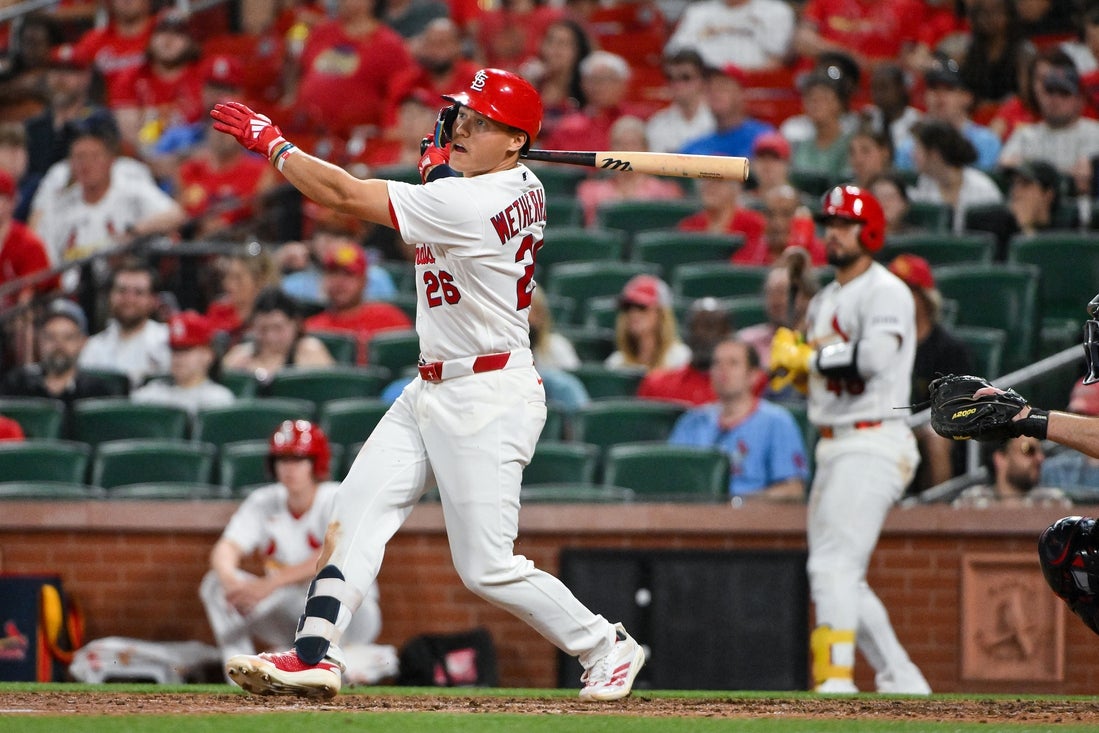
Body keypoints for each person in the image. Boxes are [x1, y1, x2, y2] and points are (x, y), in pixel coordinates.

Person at [209, 67, 646, 700]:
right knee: (354, 512)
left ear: (516, 142)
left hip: (487, 394)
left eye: (482, 123)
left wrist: (275, 144)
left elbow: (342, 195)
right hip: (433, 385)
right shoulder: (508, 185)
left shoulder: (473, 201)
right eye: (462, 115)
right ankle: (315, 654)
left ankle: (606, 645)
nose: (461, 127)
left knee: (486, 567)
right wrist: (442, 170)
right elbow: (449, 192)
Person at [769, 185, 930, 695]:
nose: (833, 233)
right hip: (835, 441)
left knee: (832, 566)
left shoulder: (886, 289)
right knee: (842, 576)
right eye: (830, 224)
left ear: (870, 231)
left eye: (844, 224)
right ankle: (902, 679)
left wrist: (810, 359)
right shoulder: (825, 300)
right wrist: (800, 372)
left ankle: (835, 678)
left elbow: (876, 357)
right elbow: (825, 370)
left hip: (875, 437)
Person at [200, 420, 384, 672]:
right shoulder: (263, 500)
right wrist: (230, 580)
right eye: (282, 459)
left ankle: (342, 662)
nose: (289, 468)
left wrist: (271, 583)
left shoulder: (336, 496)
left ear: (316, 463)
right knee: (214, 585)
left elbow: (334, 553)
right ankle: (239, 671)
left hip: (349, 611)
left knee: (331, 596)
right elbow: (226, 547)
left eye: (298, 459)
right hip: (289, 607)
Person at [669, 336, 808, 500]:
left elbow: (793, 489)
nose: (722, 370)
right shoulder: (691, 422)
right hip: (696, 511)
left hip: (754, 512)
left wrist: (738, 504)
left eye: (733, 363)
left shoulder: (777, 421)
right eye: (716, 363)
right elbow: (671, 479)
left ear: (753, 375)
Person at [886, 254, 972, 494]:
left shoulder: (949, 349)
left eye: (904, 290)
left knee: (936, 436)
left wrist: (914, 426)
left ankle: (939, 510)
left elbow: (954, 410)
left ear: (923, 297)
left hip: (935, 429)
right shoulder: (885, 346)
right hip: (891, 423)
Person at [1, 299, 127, 438]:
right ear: (39, 341)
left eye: (68, 338)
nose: (59, 345)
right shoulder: (16, 385)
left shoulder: (100, 392)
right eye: (50, 337)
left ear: (82, 342)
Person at [302, 241, 413, 365]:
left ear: (364, 280)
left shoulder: (391, 317)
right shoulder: (312, 327)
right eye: (332, 273)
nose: (339, 282)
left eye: (348, 274)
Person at [575, 116, 684, 227]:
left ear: (646, 149)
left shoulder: (666, 192)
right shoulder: (591, 192)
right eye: (619, 144)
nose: (626, 149)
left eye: (633, 143)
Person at [77, 259, 170, 388]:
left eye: (138, 292)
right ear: (110, 296)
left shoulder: (167, 341)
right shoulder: (94, 347)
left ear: (153, 300)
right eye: (122, 291)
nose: (129, 299)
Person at [221, 287, 335, 386]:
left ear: (295, 324)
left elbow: (329, 388)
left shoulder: (310, 350)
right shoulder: (240, 356)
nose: (270, 337)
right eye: (263, 329)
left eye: (278, 328)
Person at [907, 119, 1004, 234]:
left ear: (935, 154)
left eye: (918, 148)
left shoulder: (983, 188)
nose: (912, 154)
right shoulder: (921, 186)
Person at [131, 310, 235, 416]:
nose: (178, 357)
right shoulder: (150, 394)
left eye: (186, 350)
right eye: (174, 350)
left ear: (207, 355)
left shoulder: (218, 399)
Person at [636, 297, 731, 407]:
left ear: (727, 335)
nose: (702, 334)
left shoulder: (743, 389)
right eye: (695, 327)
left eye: (710, 326)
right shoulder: (656, 385)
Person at [663, 0, 795, 71]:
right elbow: (673, 54)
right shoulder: (698, 11)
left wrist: (730, 78)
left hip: (756, 87)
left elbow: (778, 61)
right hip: (703, 86)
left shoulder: (776, 10)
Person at [679, 64, 772, 159]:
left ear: (741, 93)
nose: (715, 93)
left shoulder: (765, 138)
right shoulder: (693, 149)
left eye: (722, 87)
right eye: (710, 88)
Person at [604, 274, 691, 373]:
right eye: (627, 307)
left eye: (642, 307)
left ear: (661, 313)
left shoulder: (680, 359)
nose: (633, 313)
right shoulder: (616, 363)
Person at [952, 436, 1070, 508]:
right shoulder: (970, 502)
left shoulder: (1054, 503)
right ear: (1000, 459)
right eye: (1029, 450)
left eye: (1041, 451)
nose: (1040, 458)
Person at [645, 49, 714, 155]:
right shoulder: (657, 124)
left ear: (702, 80)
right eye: (671, 78)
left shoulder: (719, 121)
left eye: (685, 77)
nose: (677, 84)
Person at [205, 247, 280, 345]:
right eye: (227, 276)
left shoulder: (276, 319)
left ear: (260, 281)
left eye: (237, 278)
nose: (227, 285)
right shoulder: (219, 310)